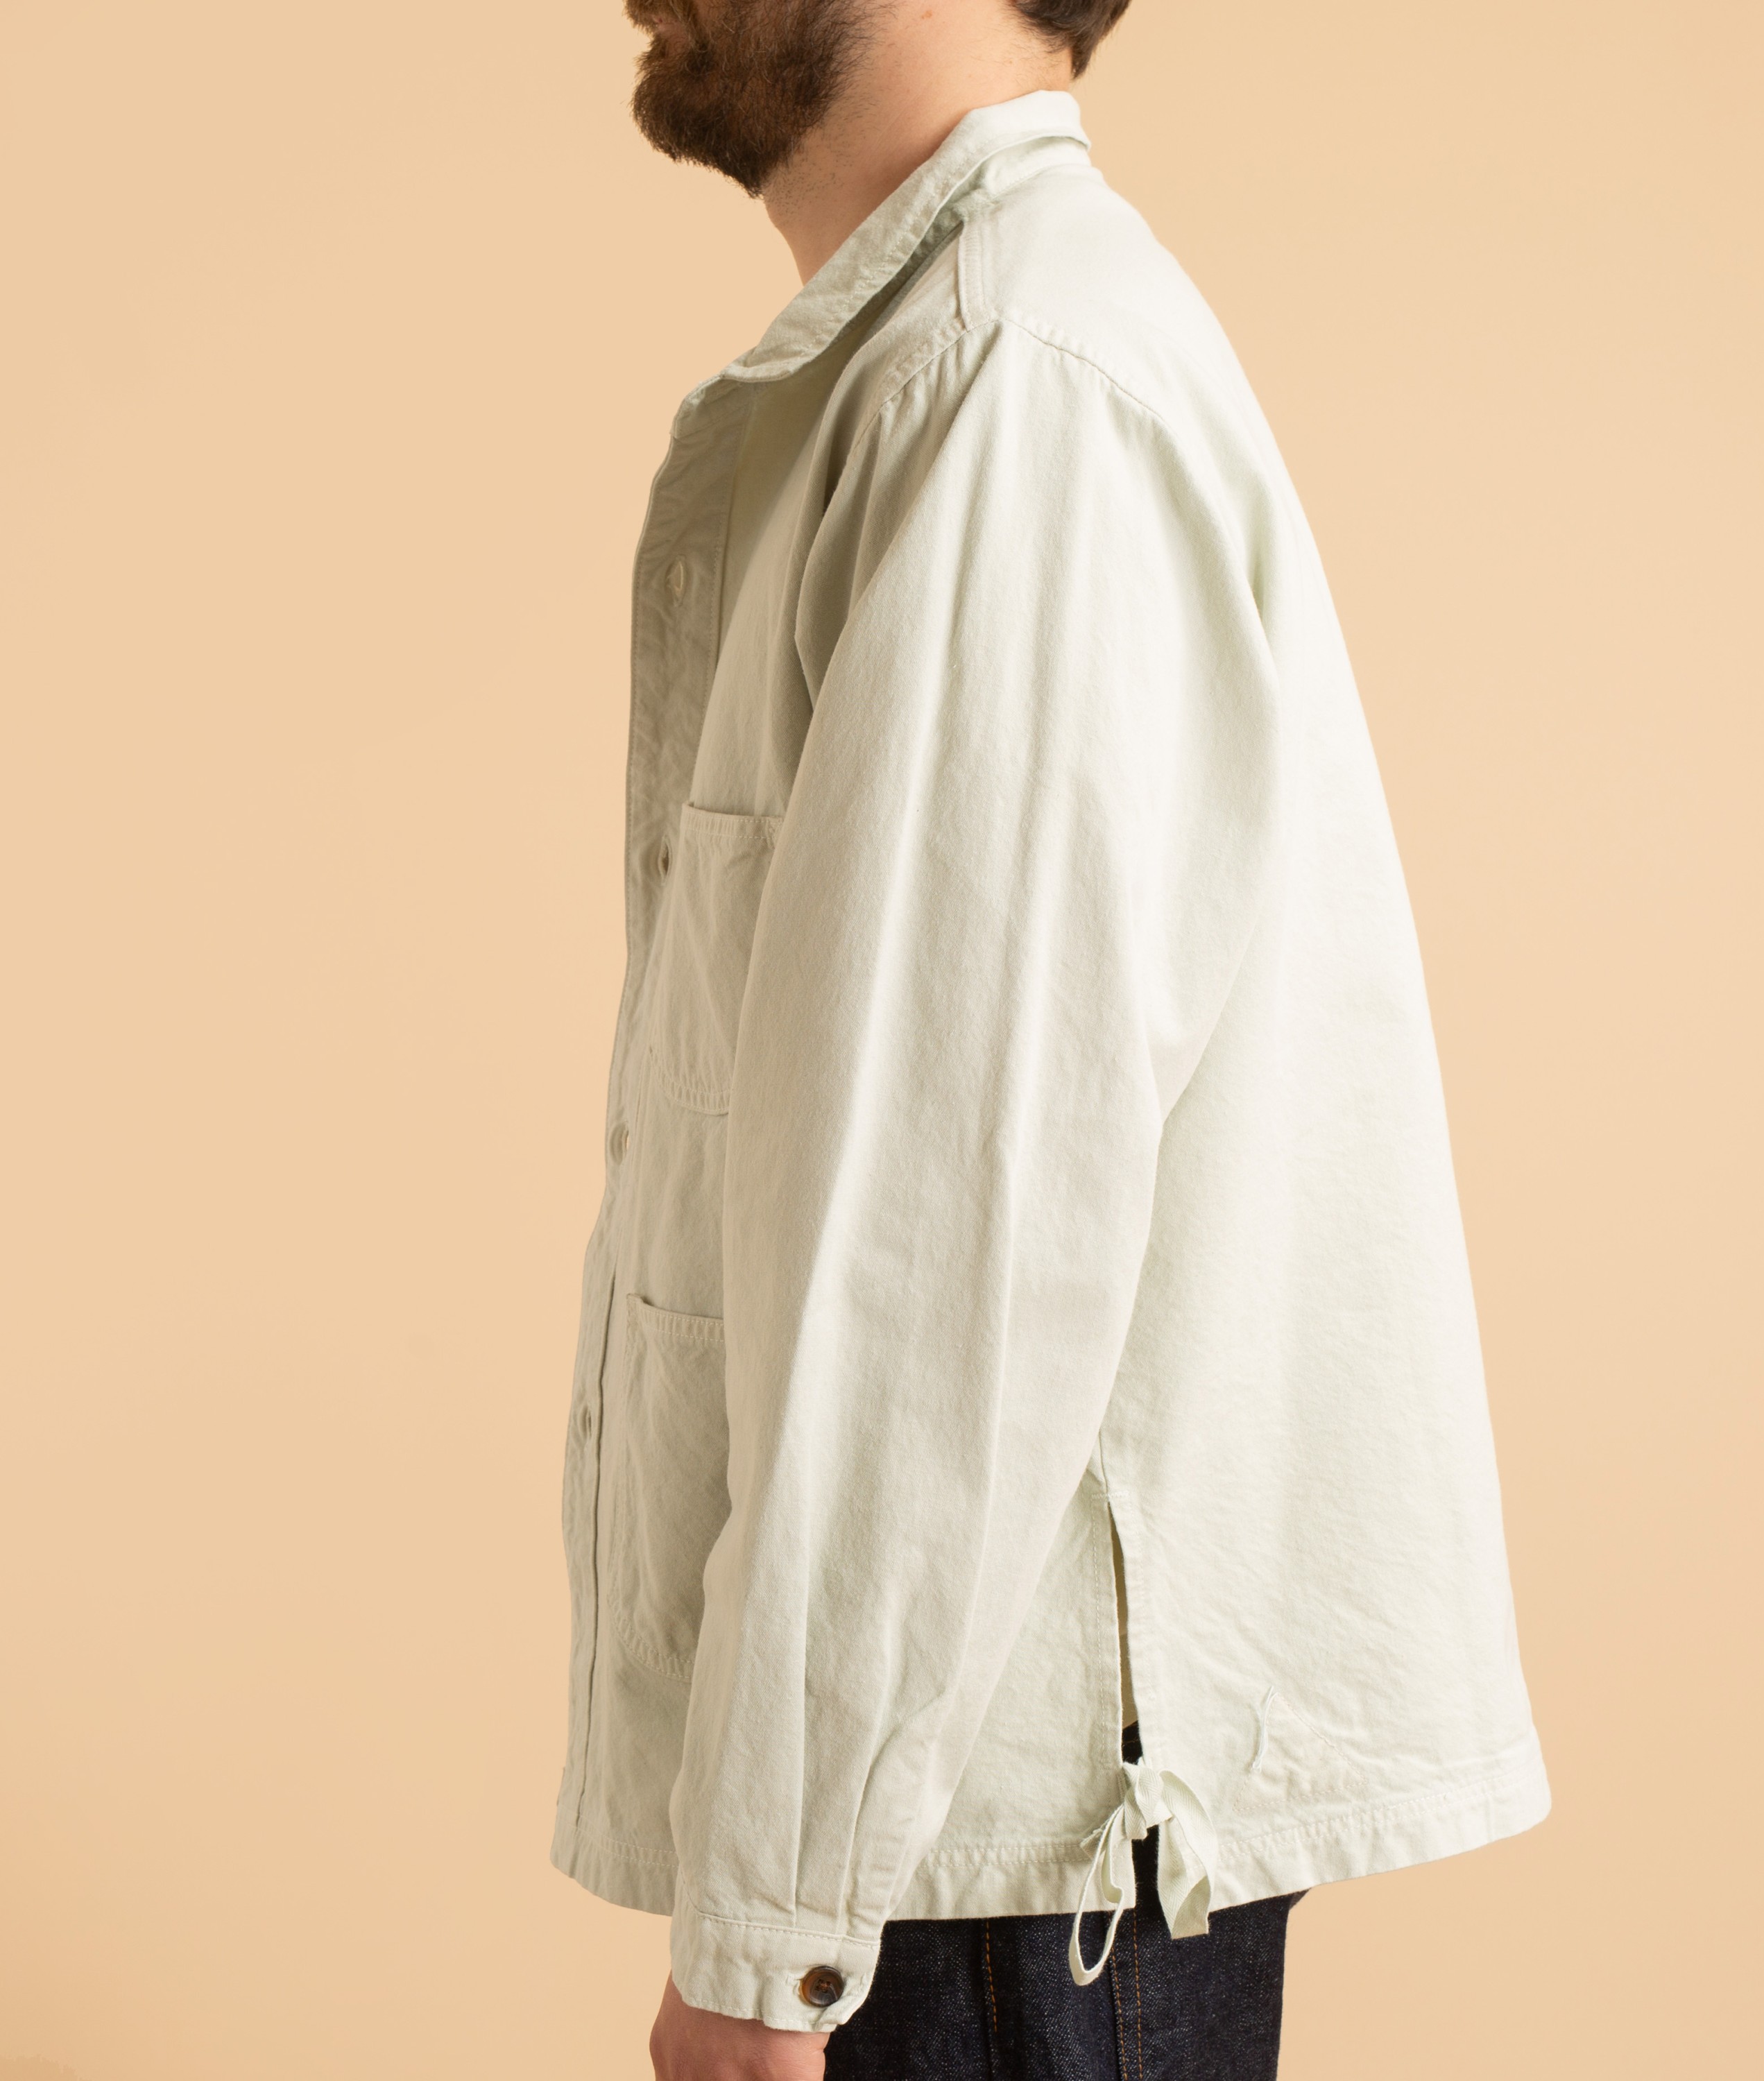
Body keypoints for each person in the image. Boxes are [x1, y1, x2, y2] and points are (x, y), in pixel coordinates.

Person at [551, 3, 1550, 2075]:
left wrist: (774, 1925)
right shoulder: (952, 362)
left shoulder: (1008, 382)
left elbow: (946, 1236)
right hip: (961, 1838)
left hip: (987, 1871)